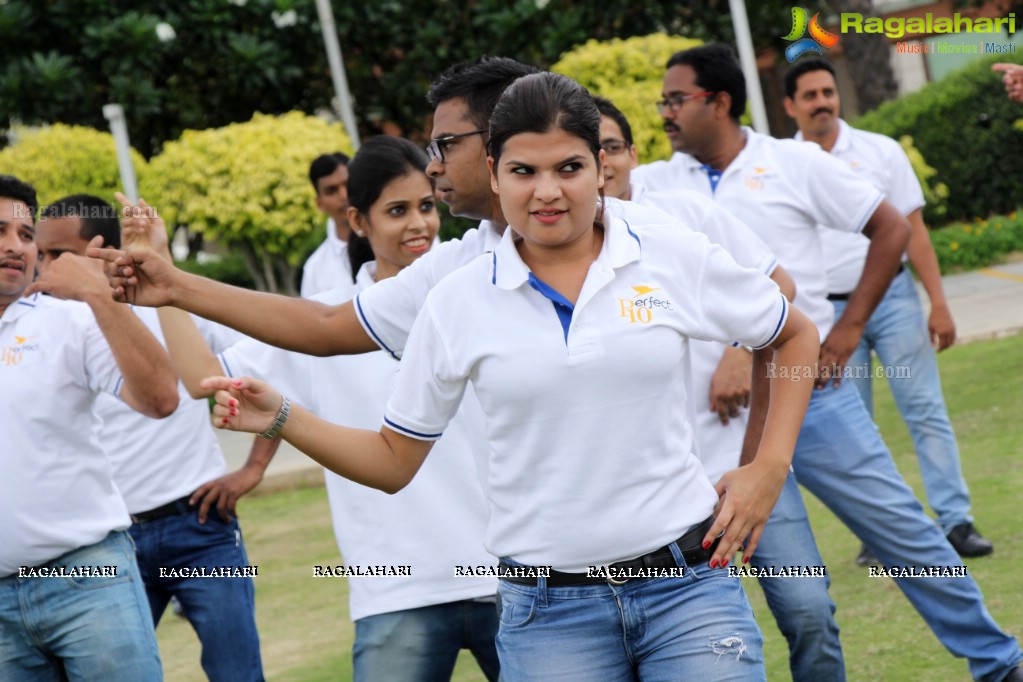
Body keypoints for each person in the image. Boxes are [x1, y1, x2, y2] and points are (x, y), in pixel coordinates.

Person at [200, 71, 820, 680]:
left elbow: (793, 332)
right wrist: (282, 415)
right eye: (524, 171)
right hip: (550, 616)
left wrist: (768, 467)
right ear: (496, 175)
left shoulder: (663, 251)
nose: (547, 191)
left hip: (688, 592)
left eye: (568, 168)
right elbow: (392, 459)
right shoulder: (456, 298)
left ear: (600, 168)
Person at [633, 43, 1023, 682]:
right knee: (800, 596)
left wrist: (845, 331)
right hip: (730, 428)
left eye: (677, 99)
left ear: (720, 102)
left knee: (902, 537)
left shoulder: (793, 163)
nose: (666, 113)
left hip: (807, 393)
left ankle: (999, 661)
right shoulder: (654, 184)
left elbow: (892, 228)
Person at [152, 136, 501, 681]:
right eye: (397, 210)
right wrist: (164, 281)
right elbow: (204, 378)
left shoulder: (479, 290)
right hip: (394, 588)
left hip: (508, 575)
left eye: (427, 205)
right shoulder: (322, 320)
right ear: (357, 221)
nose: (419, 224)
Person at [595, 95, 845, 681]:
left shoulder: (684, 212)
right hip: (663, 497)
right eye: (590, 149)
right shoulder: (558, 253)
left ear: (634, 154)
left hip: (742, 466)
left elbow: (779, 290)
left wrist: (738, 350)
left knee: (809, 610)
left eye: (612, 145)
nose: (602, 161)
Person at [35, 193, 265, 681]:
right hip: (113, 544)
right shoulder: (42, 328)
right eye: (40, 255)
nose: (44, 267)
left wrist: (252, 470)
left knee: (239, 674)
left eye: (57, 254)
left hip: (202, 527)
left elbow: (278, 367)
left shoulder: (170, 305)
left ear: (100, 249)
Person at [783, 57, 993, 564]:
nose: (822, 103)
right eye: (809, 95)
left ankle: (955, 523)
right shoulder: (778, 166)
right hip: (827, 317)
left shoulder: (880, 151)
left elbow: (913, 230)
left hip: (894, 298)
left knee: (924, 410)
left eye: (827, 92)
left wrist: (937, 302)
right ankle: (882, 536)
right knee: (854, 428)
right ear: (789, 106)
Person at [1, 176, 178, 680]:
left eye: (25, 233)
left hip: (88, 578)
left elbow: (162, 398)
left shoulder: (65, 319)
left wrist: (100, 297)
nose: (15, 245)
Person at [301, 152, 352, 297]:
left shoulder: (390, 241)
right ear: (320, 203)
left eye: (348, 185)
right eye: (332, 190)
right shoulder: (315, 270)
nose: (344, 195)